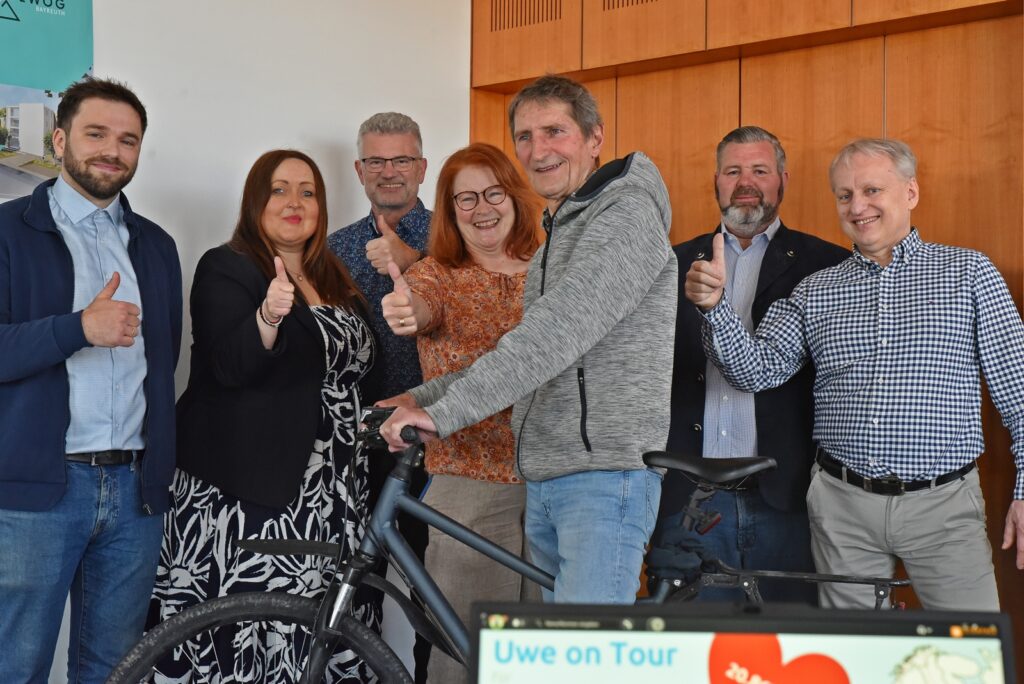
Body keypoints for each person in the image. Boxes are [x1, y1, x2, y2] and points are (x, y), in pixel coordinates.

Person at [686, 137, 1024, 609]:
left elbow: (1018, 391)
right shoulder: (815, 288)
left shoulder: (968, 273)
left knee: (971, 647)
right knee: (852, 657)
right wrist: (717, 308)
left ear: (910, 193)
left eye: (871, 191)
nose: (857, 206)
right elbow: (755, 371)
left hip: (943, 507)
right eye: (845, 195)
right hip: (841, 508)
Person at [381, 75, 677, 605]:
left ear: (594, 138)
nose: (538, 151)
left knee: (584, 662)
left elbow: (554, 334)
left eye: (555, 132)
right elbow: (525, 350)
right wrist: (424, 398)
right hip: (550, 475)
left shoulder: (627, 215)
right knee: (543, 658)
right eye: (524, 136)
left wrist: (443, 415)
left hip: (601, 481)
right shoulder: (559, 235)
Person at [149, 150, 377, 681]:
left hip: (335, 491)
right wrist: (268, 316)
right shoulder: (226, 265)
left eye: (308, 191)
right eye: (278, 189)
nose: (294, 202)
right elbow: (228, 366)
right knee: (246, 630)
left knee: (320, 631)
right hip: (250, 494)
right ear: (255, 200)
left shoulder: (334, 275)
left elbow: (357, 374)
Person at [0, 77, 182, 683]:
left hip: (135, 493)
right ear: (59, 140)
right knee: (15, 666)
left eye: (128, 140)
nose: (113, 150)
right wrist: (79, 326)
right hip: (36, 493)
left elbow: (164, 367)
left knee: (112, 671)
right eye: (96, 134)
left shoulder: (156, 246)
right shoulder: (7, 231)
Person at [648, 126, 849, 604]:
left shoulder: (828, 266)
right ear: (716, 181)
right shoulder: (668, 266)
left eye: (759, 170)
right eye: (733, 170)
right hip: (687, 500)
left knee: (790, 655)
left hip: (785, 498)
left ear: (783, 180)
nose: (746, 181)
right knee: (691, 659)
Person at [380, 143, 542, 682]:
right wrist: (406, 311)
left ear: (515, 197)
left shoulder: (551, 268)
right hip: (468, 486)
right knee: (461, 657)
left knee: (545, 655)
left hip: (555, 482)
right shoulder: (437, 275)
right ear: (449, 212)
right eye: (464, 199)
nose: (481, 208)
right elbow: (417, 307)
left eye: (493, 192)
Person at [326, 111, 431, 679]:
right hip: (355, 450)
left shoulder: (457, 237)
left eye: (402, 160)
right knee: (349, 593)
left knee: (433, 602)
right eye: (377, 161)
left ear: (422, 165)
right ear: (359, 170)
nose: (389, 172)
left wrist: (418, 268)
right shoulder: (333, 248)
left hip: (440, 446)